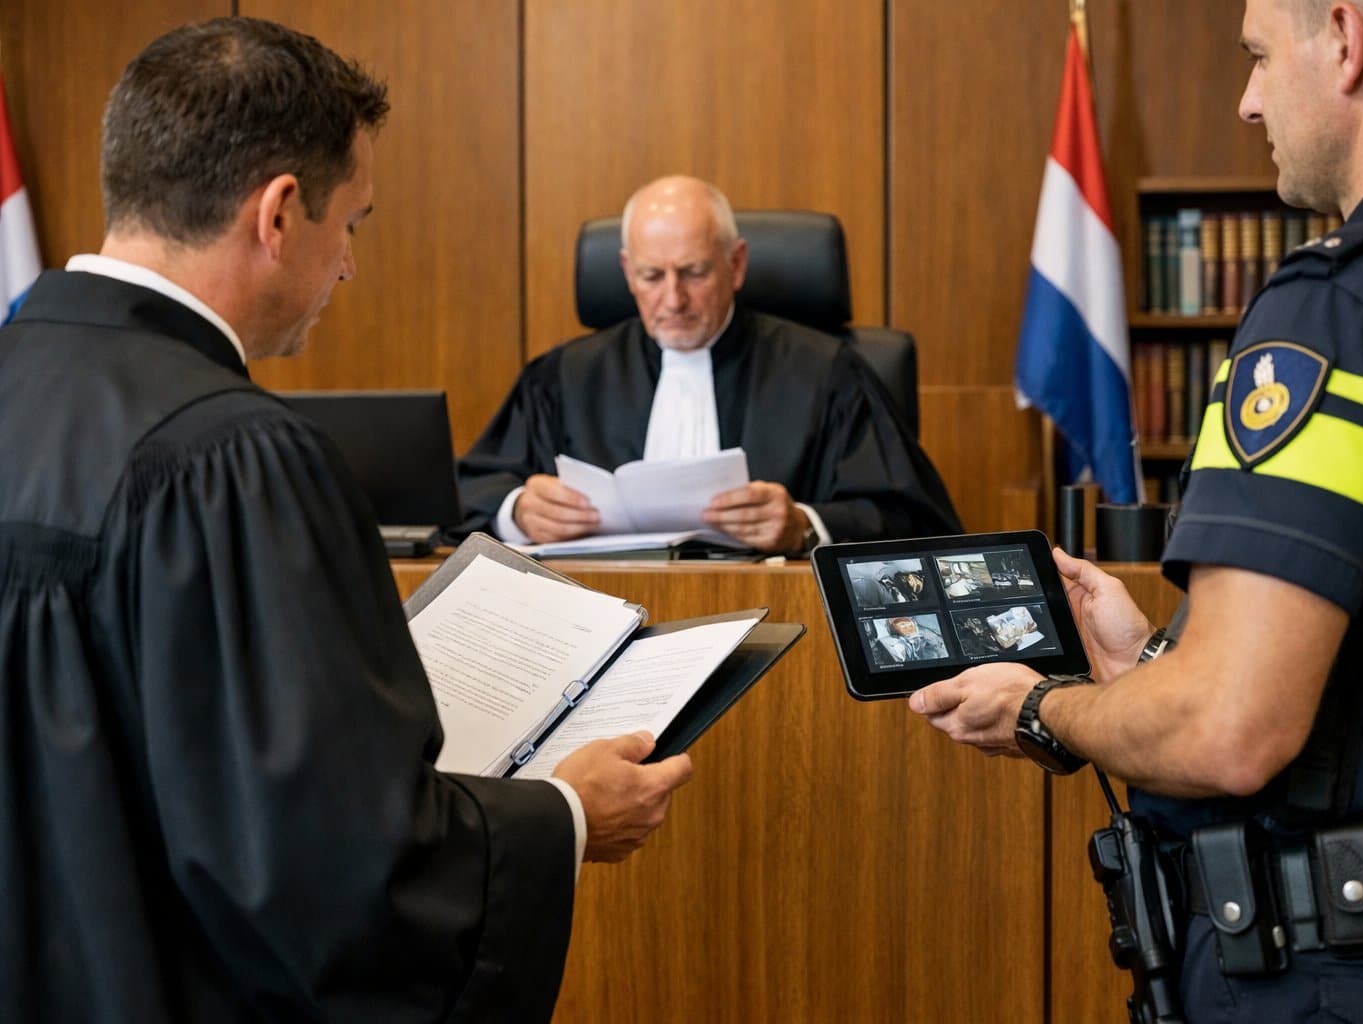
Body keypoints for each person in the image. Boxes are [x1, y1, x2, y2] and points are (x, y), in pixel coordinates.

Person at [0, 18, 693, 1021]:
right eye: (353, 224)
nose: (349, 267)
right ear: (280, 212)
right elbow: (346, 879)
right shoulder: (233, 458)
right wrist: (568, 814)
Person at [909, 0, 1363, 1018]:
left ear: (1345, 36)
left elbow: (1230, 728)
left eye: (1256, 56)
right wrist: (1155, 660)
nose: (1247, 102)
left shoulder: (1355, 309)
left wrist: (1040, 707)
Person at [456, 175, 962, 555]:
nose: (673, 299)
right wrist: (518, 511)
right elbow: (464, 494)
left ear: (736, 264)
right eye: (652, 276)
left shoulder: (826, 372)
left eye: (694, 273)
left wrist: (803, 525)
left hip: (781, 628)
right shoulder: (563, 377)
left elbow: (915, 519)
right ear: (627, 273)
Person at [879, 617, 947, 663]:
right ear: (894, 629)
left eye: (909, 622)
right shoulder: (898, 644)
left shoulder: (927, 634)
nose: (908, 626)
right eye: (902, 624)